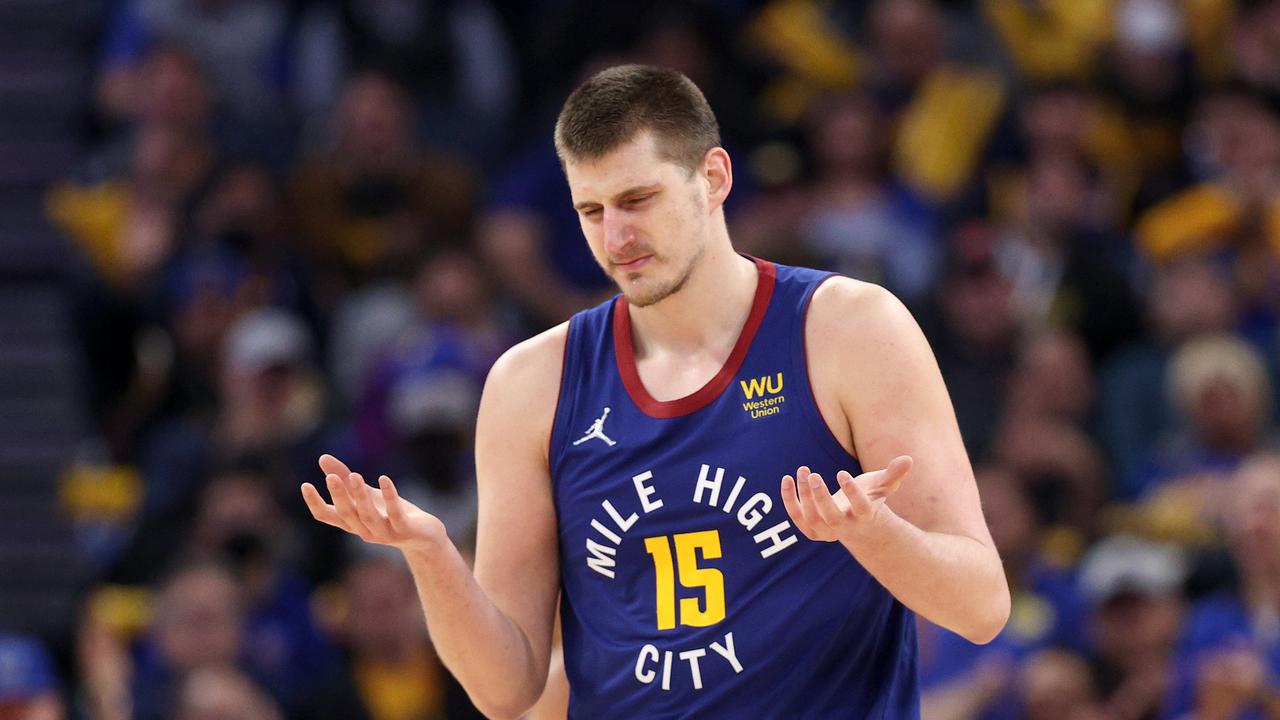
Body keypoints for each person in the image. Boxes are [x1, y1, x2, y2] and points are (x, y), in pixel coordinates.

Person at [302, 64, 1010, 718]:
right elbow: (506, 689)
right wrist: (430, 554)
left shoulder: (848, 329)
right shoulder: (531, 383)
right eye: (591, 211)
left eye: (638, 199)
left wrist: (873, 535)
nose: (617, 237)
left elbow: (980, 605)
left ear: (715, 177)